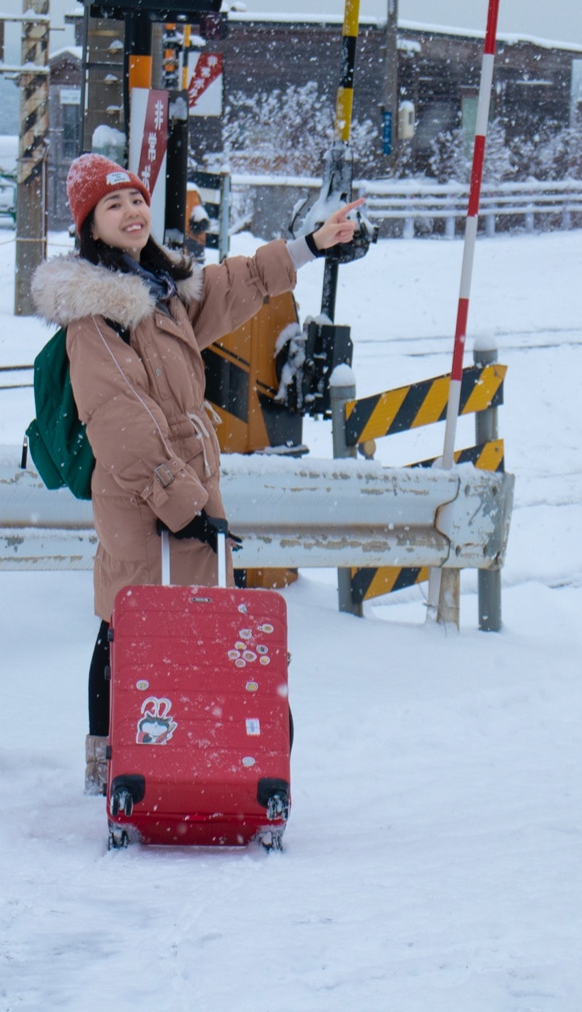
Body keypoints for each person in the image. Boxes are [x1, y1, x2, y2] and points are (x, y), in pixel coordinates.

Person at [32, 152, 362, 794]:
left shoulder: (161, 289)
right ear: (89, 226)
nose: (131, 212)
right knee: (130, 630)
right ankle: (118, 769)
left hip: (186, 498)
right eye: (112, 205)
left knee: (165, 630)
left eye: (134, 199)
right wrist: (182, 505)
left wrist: (310, 247)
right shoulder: (94, 315)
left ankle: (180, 758)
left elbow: (234, 286)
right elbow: (121, 422)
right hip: (143, 505)